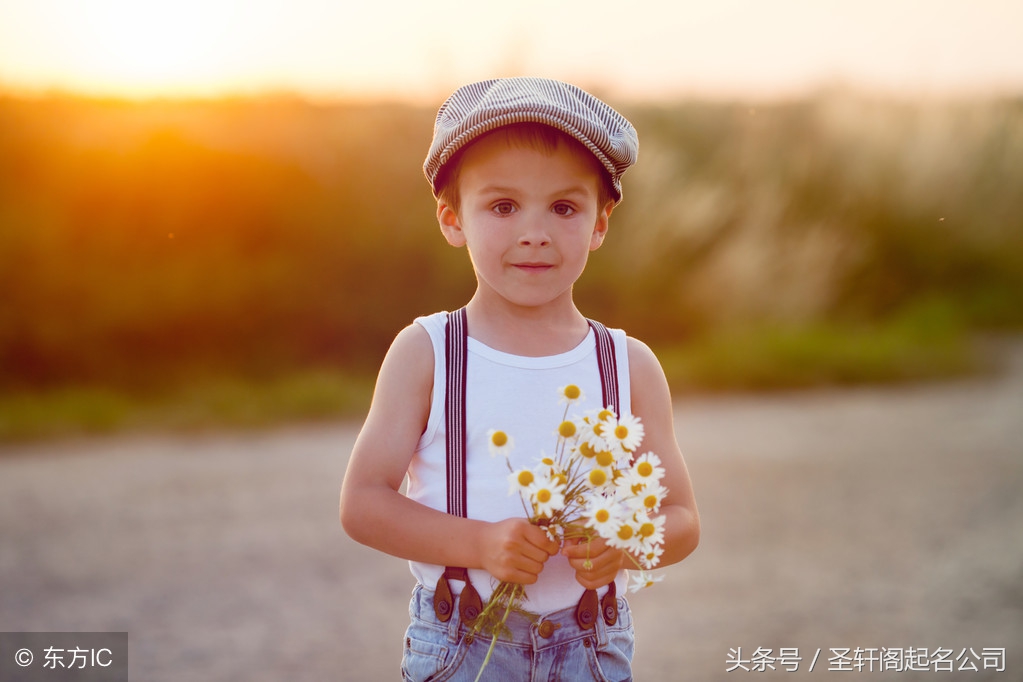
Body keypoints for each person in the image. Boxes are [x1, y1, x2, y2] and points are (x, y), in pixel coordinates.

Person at [340, 77, 700, 681]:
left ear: (600, 224)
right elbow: (363, 504)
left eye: (564, 208)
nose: (535, 233)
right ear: (452, 218)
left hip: (591, 647)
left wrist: (627, 543)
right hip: (461, 645)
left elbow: (682, 518)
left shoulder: (627, 364)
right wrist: (480, 545)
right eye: (503, 207)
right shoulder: (429, 353)